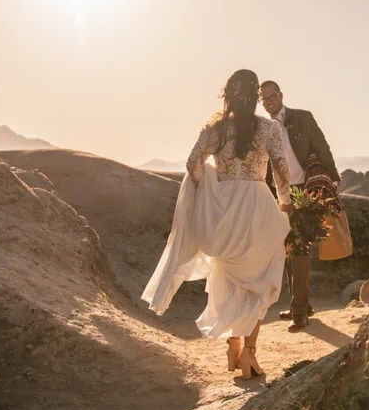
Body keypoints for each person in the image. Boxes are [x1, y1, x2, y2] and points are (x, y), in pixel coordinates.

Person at [141, 69, 293, 379]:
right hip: (257, 205)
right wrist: (286, 203)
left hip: (223, 209)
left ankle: (233, 346)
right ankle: (249, 353)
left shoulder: (215, 128)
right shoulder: (268, 128)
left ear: (228, 95)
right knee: (260, 279)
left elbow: (193, 161)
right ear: (255, 97)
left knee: (228, 275)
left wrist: (209, 187)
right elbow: (280, 167)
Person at [258, 80, 339, 331]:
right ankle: (299, 305)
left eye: (272, 96)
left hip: (304, 189)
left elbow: (321, 145)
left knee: (299, 248)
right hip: (279, 193)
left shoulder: (303, 118)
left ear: (281, 95)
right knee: (288, 248)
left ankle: (300, 311)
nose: (269, 101)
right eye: (264, 98)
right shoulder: (261, 127)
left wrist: (334, 177)